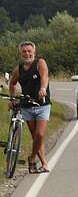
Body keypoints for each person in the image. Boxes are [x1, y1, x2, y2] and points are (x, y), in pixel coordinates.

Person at [8, 41, 51, 173]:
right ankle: (43, 163)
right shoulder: (19, 69)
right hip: (27, 106)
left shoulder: (40, 63)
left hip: (42, 104)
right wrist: (12, 98)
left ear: (34, 52)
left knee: (40, 134)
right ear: (21, 54)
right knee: (35, 137)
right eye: (24, 52)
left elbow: (45, 76)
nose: (27, 54)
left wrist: (43, 88)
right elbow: (12, 84)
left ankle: (32, 158)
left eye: (29, 51)